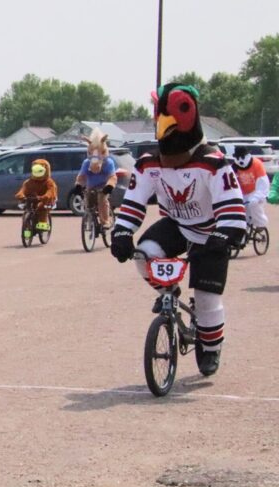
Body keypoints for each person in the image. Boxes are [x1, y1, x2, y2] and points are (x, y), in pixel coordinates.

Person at [111, 83, 246, 377]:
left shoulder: (212, 163)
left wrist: (226, 233)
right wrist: (122, 231)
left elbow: (231, 204)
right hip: (178, 226)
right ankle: (168, 291)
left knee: (207, 296)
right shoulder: (149, 164)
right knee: (143, 254)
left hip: (211, 231)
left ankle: (211, 348)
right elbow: (135, 201)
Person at [73, 128, 117, 229]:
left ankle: (105, 221)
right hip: (91, 186)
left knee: (102, 199)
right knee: (88, 201)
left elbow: (112, 177)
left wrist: (109, 186)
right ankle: (89, 219)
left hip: (103, 187)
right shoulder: (86, 163)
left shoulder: (108, 163)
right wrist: (78, 185)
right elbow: (81, 176)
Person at [14, 158, 58, 234]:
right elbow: (23, 189)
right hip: (32, 198)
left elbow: (51, 191)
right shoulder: (29, 182)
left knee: (42, 208)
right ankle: (27, 227)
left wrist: (45, 196)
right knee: (27, 209)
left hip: (44, 200)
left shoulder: (49, 182)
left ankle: (42, 224)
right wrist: (21, 195)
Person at [232, 146, 270, 229]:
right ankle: (243, 229)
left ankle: (260, 224)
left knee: (253, 205)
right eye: (238, 158)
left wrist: (257, 196)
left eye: (242, 157)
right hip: (243, 193)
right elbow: (233, 184)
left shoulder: (257, 164)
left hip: (256, 191)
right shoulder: (234, 167)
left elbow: (263, 183)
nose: (240, 160)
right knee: (240, 210)